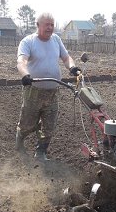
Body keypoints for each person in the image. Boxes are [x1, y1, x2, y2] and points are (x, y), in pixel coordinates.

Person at [15, 12, 81, 161]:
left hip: (53, 91)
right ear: (38, 25)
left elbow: (66, 57)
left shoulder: (56, 40)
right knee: (27, 123)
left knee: (49, 125)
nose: (50, 27)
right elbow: (21, 61)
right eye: (47, 24)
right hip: (34, 91)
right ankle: (19, 143)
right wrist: (25, 75)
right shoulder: (28, 42)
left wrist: (72, 67)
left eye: (52, 24)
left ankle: (41, 152)